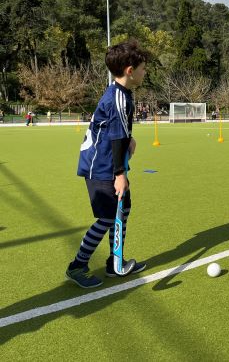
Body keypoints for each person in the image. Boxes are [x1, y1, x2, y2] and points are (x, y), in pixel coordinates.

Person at [65, 40, 149, 288]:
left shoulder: (123, 94)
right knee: (107, 217)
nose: (146, 72)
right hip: (100, 166)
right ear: (130, 71)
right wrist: (119, 173)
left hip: (110, 163)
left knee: (122, 211)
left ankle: (116, 262)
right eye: (143, 68)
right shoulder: (117, 98)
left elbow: (118, 132)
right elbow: (114, 138)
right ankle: (77, 266)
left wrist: (129, 140)